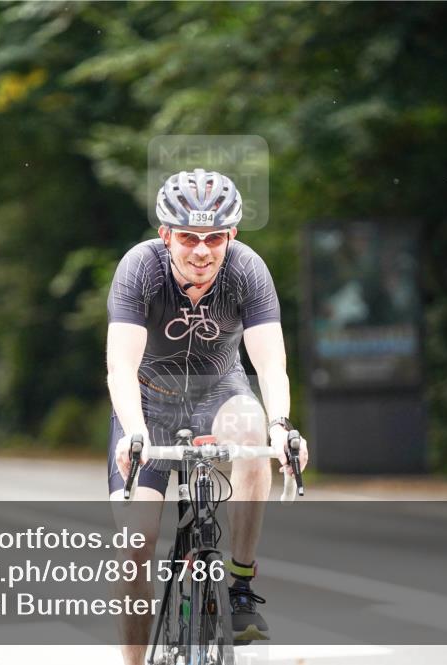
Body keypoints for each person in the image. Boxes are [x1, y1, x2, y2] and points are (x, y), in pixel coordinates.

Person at [106, 168, 309, 664]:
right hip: (150, 403)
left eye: (214, 238)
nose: (202, 250)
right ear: (166, 235)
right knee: (135, 545)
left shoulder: (247, 270)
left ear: (231, 236)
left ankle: (240, 586)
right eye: (189, 238)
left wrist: (282, 427)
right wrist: (133, 432)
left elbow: (270, 364)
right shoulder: (140, 268)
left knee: (254, 427)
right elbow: (120, 366)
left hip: (220, 392)